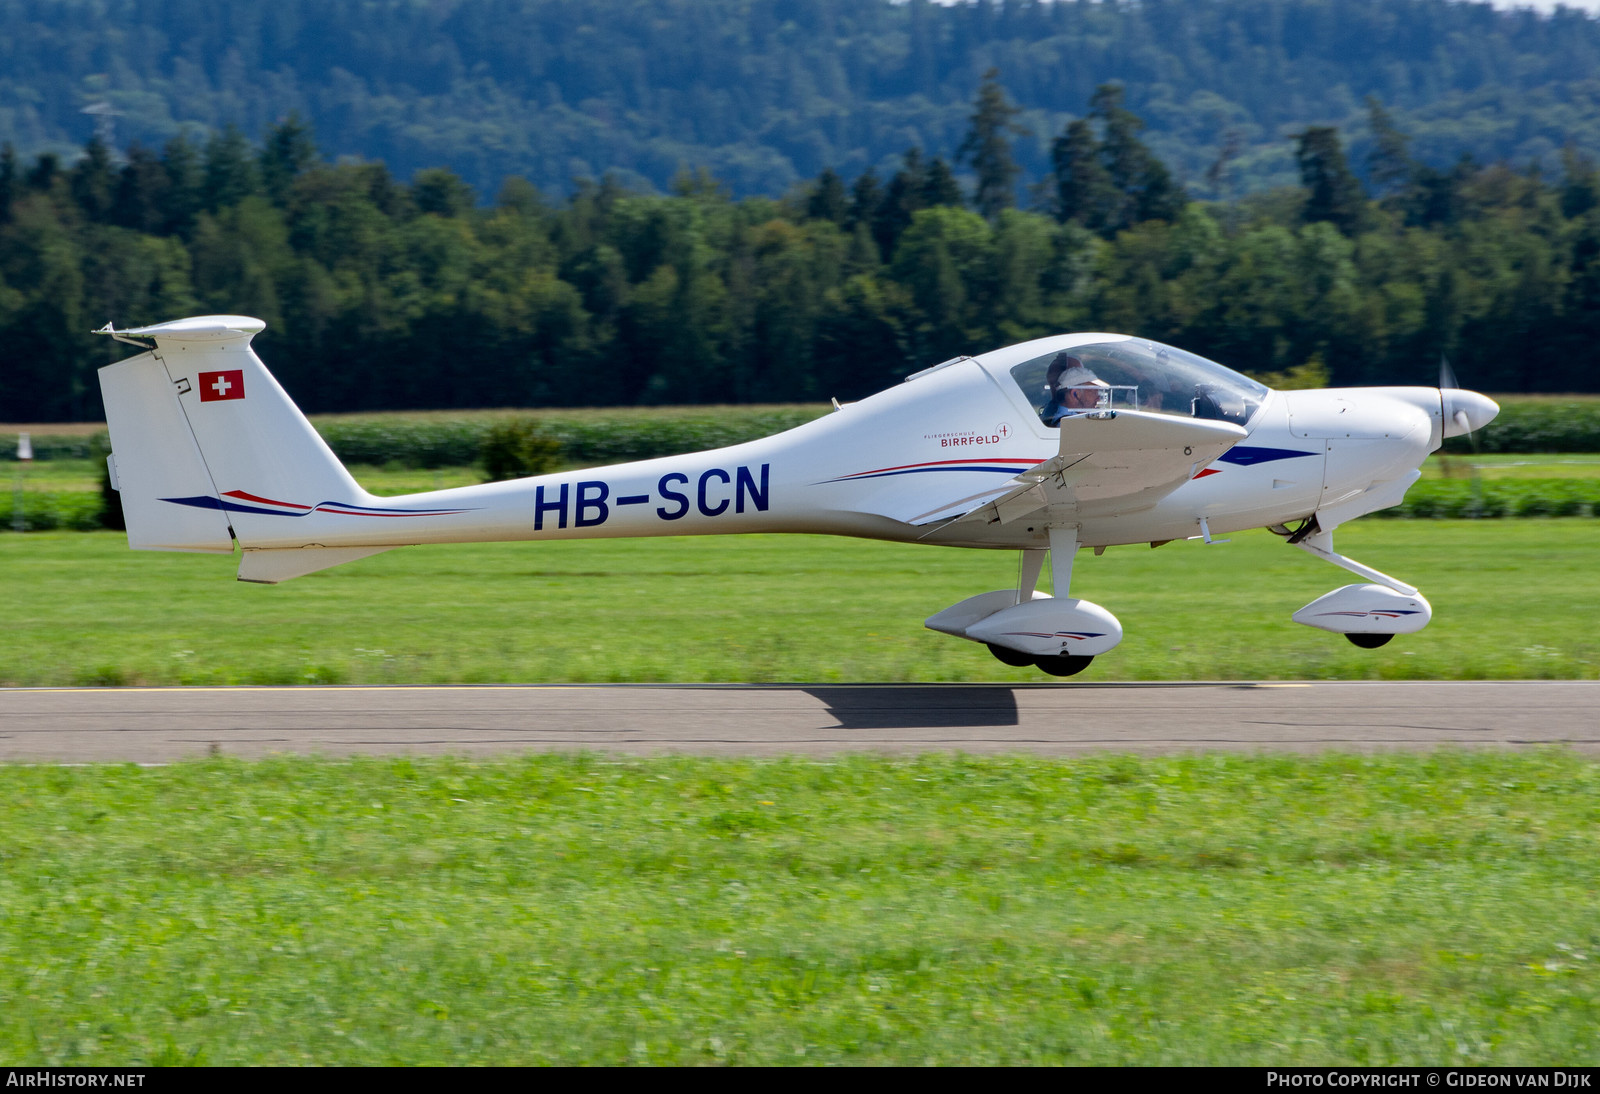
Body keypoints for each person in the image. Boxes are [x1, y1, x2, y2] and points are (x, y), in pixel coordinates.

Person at [1041, 353, 1111, 424]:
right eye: (1093, 391)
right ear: (1075, 394)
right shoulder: (1070, 424)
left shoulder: (1071, 420)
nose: (1098, 398)